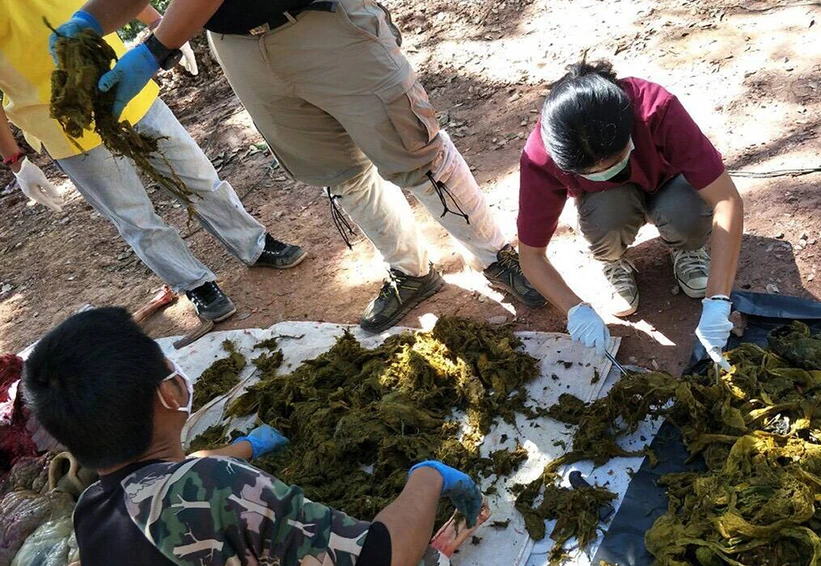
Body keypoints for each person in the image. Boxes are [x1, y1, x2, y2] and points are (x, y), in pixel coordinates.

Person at [22, 306, 483, 566]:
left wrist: (246, 447)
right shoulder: (214, 488)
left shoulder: (91, 511)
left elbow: (170, 480)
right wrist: (427, 477)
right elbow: (386, 560)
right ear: (169, 392)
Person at [53, 0, 546, 333]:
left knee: (416, 152)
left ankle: (496, 256)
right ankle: (410, 270)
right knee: (339, 170)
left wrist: (154, 50)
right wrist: (87, 22)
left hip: (323, 23)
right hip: (238, 45)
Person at [1, 0, 307, 324]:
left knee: (200, 179)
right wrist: (16, 160)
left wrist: (159, 24)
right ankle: (195, 283)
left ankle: (254, 244)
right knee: (135, 217)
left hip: (127, 84)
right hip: (63, 123)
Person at [516, 61, 745, 370]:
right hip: (608, 202)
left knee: (684, 212)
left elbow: (726, 200)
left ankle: (688, 250)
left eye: (615, 161)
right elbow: (531, 255)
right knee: (606, 218)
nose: (606, 172)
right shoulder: (541, 155)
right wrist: (575, 311)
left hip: (669, 183)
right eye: (593, 171)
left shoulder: (655, 108)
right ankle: (612, 260)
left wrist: (718, 301)